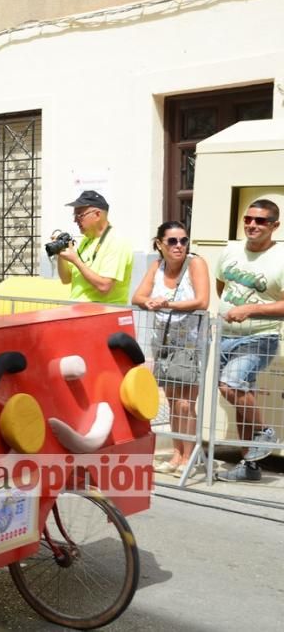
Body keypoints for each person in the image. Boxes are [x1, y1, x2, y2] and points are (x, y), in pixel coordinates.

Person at [214, 199, 284, 482]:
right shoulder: (230, 250)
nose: (252, 225)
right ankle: (250, 466)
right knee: (241, 397)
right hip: (226, 335)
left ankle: (265, 436)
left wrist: (250, 309)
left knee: (231, 386)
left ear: (274, 226)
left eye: (261, 221)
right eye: (249, 219)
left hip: (260, 336)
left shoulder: (280, 258)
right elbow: (223, 287)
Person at [132, 221, 210, 475]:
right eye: (173, 241)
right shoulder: (157, 266)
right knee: (175, 400)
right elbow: (137, 297)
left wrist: (167, 304)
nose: (179, 246)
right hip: (164, 341)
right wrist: (151, 301)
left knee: (187, 403)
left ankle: (190, 456)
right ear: (160, 244)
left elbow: (202, 300)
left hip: (190, 343)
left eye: (184, 241)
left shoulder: (195, 263)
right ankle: (178, 453)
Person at [55, 190, 133, 304]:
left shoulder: (116, 241)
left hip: (103, 313)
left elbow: (104, 287)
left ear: (97, 214)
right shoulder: (87, 240)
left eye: (79, 215)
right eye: (74, 215)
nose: (75, 220)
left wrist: (76, 260)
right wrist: (60, 253)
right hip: (79, 311)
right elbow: (66, 279)